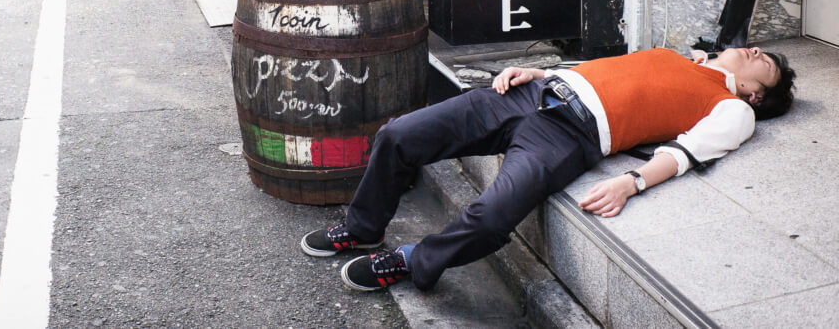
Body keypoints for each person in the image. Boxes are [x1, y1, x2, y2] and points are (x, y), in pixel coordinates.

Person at [301, 45, 796, 292]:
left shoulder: (735, 109)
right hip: (531, 92)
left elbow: (689, 152)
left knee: (493, 217)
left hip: (569, 136)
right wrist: (543, 71)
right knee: (399, 134)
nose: (754, 51)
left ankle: (413, 261)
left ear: (756, 93)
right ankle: (363, 227)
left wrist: (633, 181)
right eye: (757, 48)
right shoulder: (681, 56)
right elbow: (606, 71)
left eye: (765, 64)